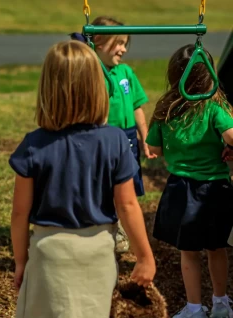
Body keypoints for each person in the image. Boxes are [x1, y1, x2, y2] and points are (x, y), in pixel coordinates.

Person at [9, 40, 156, 318]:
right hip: (97, 252)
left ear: (48, 88)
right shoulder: (115, 141)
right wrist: (144, 256)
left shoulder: (34, 144)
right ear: (97, 87)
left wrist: (21, 261)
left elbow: (20, 213)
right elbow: (128, 206)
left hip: (49, 253)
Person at [146, 44, 233, 318]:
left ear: (174, 76)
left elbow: (154, 148)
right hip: (216, 189)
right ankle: (221, 304)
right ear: (210, 77)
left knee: (189, 252)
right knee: (217, 248)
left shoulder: (165, 109)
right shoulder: (216, 108)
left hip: (183, 190)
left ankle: (195, 311)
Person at [73, 16, 156, 253]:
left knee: (127, 185)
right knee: (105, 184)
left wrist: (145, 136)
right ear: (98, 42)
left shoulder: (126, 72)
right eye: (118, 43)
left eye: (125, 43)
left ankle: (119, 226)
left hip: (128, 137)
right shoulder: (91, 72)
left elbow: (138, 106)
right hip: (104, 136)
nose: (123, 49)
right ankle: (103, 226)